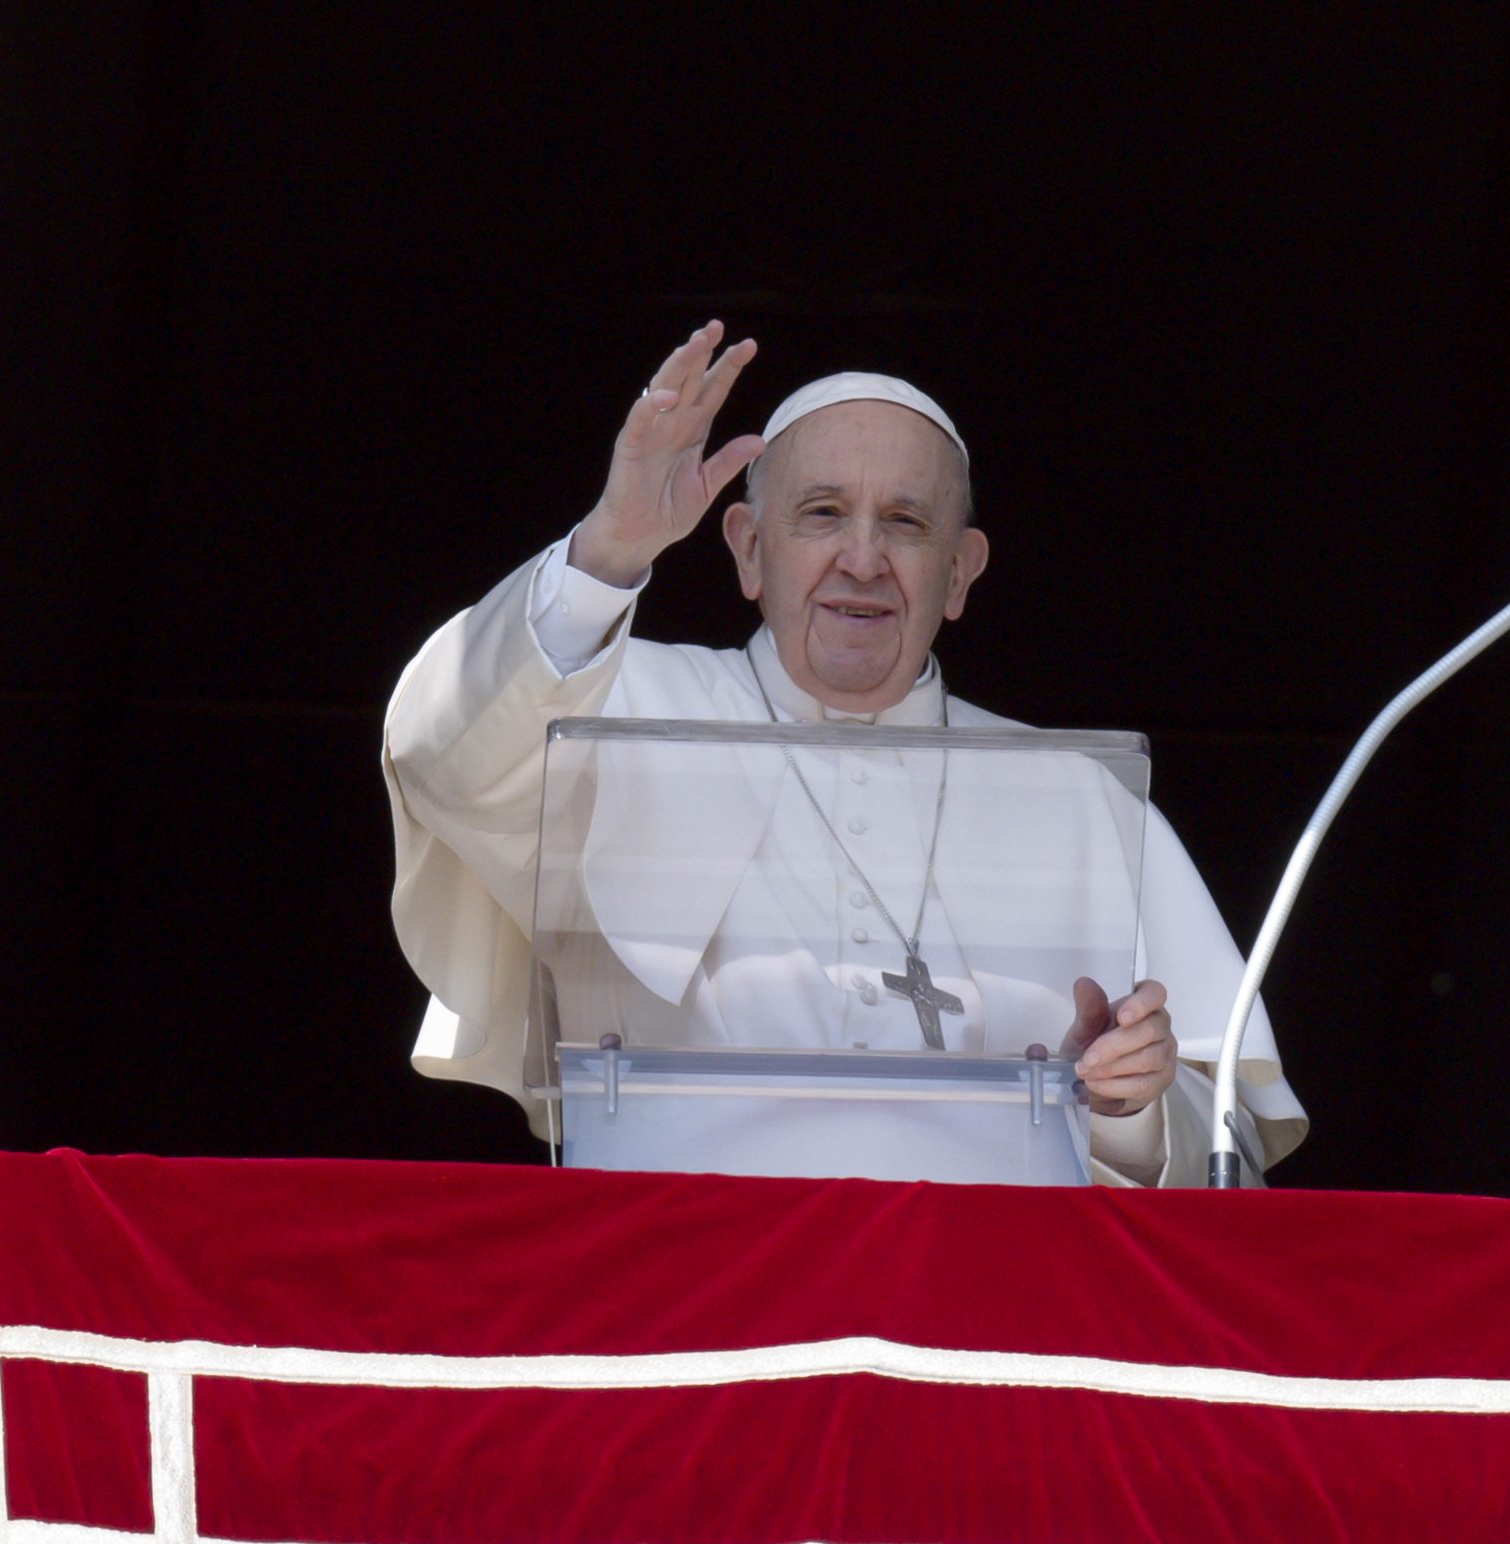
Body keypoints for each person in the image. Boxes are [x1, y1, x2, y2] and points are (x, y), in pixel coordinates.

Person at [384, 323, 1305, 1184]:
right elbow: (438, 756)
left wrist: (1127, 1109)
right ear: (748, 551)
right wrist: (611, 551)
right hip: (685, 1287)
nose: (862, 558)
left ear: (961, 572)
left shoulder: (1080, 800)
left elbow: (1227, 1151)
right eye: (821, 513)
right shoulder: (610, 707)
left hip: (982, 1308)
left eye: (905, 522)